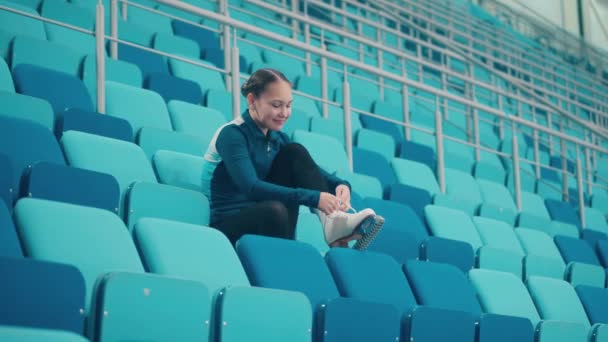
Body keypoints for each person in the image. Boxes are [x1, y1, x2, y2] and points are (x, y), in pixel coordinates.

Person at [202, 68, 383, 249]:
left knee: (294, 152)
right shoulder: (232, 135)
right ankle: (333, 235)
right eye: (276, 105)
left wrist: (340, 185)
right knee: (275, 211)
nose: (284, 113)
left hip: (270, 215)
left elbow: (311, 171)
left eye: (288, 105)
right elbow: (251, 187)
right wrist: (313, 198)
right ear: (252, 101)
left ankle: (333, 223)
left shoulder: (277, 138)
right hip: (228, 225)